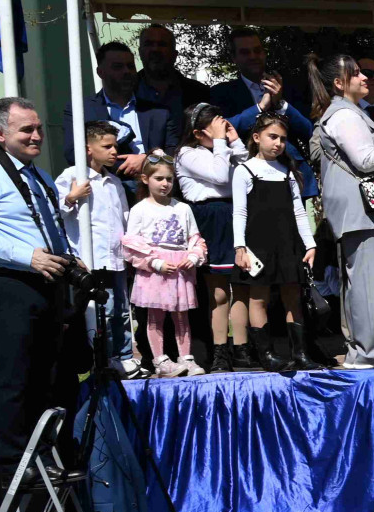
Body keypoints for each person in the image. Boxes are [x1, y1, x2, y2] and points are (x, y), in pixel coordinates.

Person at [0, 97, 91, 512]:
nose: (35, 136)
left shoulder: (40, 176)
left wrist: (68, 256)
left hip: (47, 285)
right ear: (0, 133)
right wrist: (26, 255)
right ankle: (15, 465)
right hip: (9, 283)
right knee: (14, 379)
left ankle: (43, 454)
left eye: (37, 128)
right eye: (25, 130)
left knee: (47, 379)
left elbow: (45, 229)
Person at [310, 53, 374, 370]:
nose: (364, 77)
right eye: (356, 73)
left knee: (360, 281)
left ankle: (361, 351)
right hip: (364, 210)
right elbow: (365, 160)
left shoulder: (344, 112)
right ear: (340, 83)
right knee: (369, 280)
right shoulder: (345, 115)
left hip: (357, 210)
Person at [230, 115, 321, 373]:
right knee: (258, 297)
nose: (279, 143)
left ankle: (300, 353)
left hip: (288, 243)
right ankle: (266, 354)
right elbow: (239, 212)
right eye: (273, 137)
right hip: (257, 245)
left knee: (293, 297)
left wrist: (310, 244)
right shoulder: (244, 170)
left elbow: (299, 211)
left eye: (283, 138)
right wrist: (240, 247)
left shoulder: (288, 172)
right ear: (257, 138)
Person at [56, 123, 135, 377]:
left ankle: (125, 356)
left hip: (117, 257)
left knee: (122, 310)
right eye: (107, 146)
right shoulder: (71, 176)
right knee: (103, 309)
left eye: (116, 146)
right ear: (88, 149)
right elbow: (55, 211)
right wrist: (71, 197)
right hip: (93, 258)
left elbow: (124, 216)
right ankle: (105, 357)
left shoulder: (114, 182)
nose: (114, 151)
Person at [177, 103, 252, 371]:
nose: (223, 129)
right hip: (212, 217)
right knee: (219, 291)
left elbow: (246, 173)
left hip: (236, 213)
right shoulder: (187, 153)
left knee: (243, 286)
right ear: (198, 133)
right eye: (216, 127)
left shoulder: (224, 149)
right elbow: (221, 176)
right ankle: (221, 353)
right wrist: (221, 142)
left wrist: (234, 140)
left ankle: (242, 349)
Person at [121, 157, 206, 377]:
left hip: (180, 268)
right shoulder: (140, 209)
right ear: (145, 179)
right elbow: (131, 242)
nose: (164, 183)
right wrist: (155, 262)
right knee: (155, 317)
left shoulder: (183, 208)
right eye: (158, 178)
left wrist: (194, 257)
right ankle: (160, 360)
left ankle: (186, 357)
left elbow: (195, 237)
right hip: (155, 270)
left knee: (182, 316)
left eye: (169, 178)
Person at [211, 27, 316, 199]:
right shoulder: (222, 92)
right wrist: (260, 107)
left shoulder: (288, 86)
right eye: (245, 52)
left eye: (257, 50)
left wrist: (281, 104)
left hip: (295, 177)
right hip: (251, 180)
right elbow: (222, 130)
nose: (253, 56)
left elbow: (309, 132)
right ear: (234, 58)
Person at [83, 41, 169, 179]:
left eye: (130, 66)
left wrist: (146, 160)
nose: (126, 71)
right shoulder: (83, 110)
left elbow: (174, 152)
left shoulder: (158, 111)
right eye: (118, 67)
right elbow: (74, 153)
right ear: (100, 72)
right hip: (106, 186)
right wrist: (124, 168)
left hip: (154, 186)